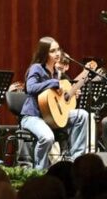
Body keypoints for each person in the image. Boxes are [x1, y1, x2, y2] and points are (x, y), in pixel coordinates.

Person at [21, 36, 89, 170]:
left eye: (58, 49)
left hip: (50, 117)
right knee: (47, 137)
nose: (57, 53)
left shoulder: (56, 72)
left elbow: (55, 97)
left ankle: (75, 161)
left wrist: (68, 94)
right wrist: (54, 83)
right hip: (33, 116)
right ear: (45, 53)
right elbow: (30, 88)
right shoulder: (37, 68)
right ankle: (40, 170)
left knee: (82, 115)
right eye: (53, 51)